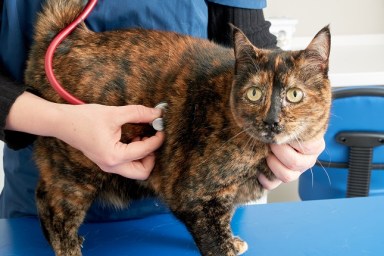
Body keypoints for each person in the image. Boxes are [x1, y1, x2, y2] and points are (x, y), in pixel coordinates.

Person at [0, 0, 325, 220]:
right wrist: (57, 122)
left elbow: (247, 43)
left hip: (196, 199)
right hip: (53, 185)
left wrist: (302, 131)